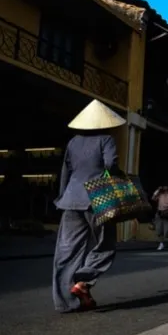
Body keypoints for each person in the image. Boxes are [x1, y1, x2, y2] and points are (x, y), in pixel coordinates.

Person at [52, 99, 125, 313]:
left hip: (71, 199)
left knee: (66, 251)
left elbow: (66, 170)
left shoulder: (73, 141)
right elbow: (110, 165)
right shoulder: (106, 139)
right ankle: (83, 281)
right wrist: (117, 176)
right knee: (105, 244)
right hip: (97, 198)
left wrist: (61, 196)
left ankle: (65, 303)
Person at [152, 184, 168, 251]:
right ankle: (161, 243)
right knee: (159, 229)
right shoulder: (160, 194)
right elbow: (153, 198)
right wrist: (158, 189)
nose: (164, 187)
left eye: (165, 186)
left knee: (167, 230)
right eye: (163, 186)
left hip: (167, 213)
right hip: (159, 213)